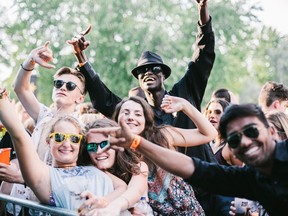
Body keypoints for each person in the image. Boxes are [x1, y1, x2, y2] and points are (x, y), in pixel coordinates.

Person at [68, 1, 217, 212]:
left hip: (203, 187)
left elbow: (204, 56)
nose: (148, 72)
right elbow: (104, 99)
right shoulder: (137, 116)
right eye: (142, 71)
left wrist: (202, 11)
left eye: (154, 68)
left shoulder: (184, 93)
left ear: (164, 74)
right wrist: (81, 59)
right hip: (159, 204)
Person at [99, 103, 287, 215]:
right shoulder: (247, 179)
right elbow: (193, 168)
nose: (245, 142)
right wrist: (135, 143)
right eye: (235, 139)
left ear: (271, 131)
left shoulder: (164, 134)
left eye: (251, 131)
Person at [0, 88, 127, 211]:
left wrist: (105, 202)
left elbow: (122, 187)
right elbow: (19, 136)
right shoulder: (45, 175)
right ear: (49, 142)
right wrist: (2, 98)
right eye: (59, 137)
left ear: (80, 144)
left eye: (74, 139)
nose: (67, 144)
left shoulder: (93, 169)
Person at [106, 95, 216, 215]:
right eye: (125, 113)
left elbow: (209, 134)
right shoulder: (114, 151)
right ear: (116, 118)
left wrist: (185, 105)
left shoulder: (163, 136)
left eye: (137, 114)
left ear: (146, 120)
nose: (131, 117)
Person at [77, 118, 151, 216]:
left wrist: (110, 204)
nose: (99, 151)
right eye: (92, 146)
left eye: (105, 144)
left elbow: (135, 190)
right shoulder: (86, 171)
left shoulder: (138, 167)